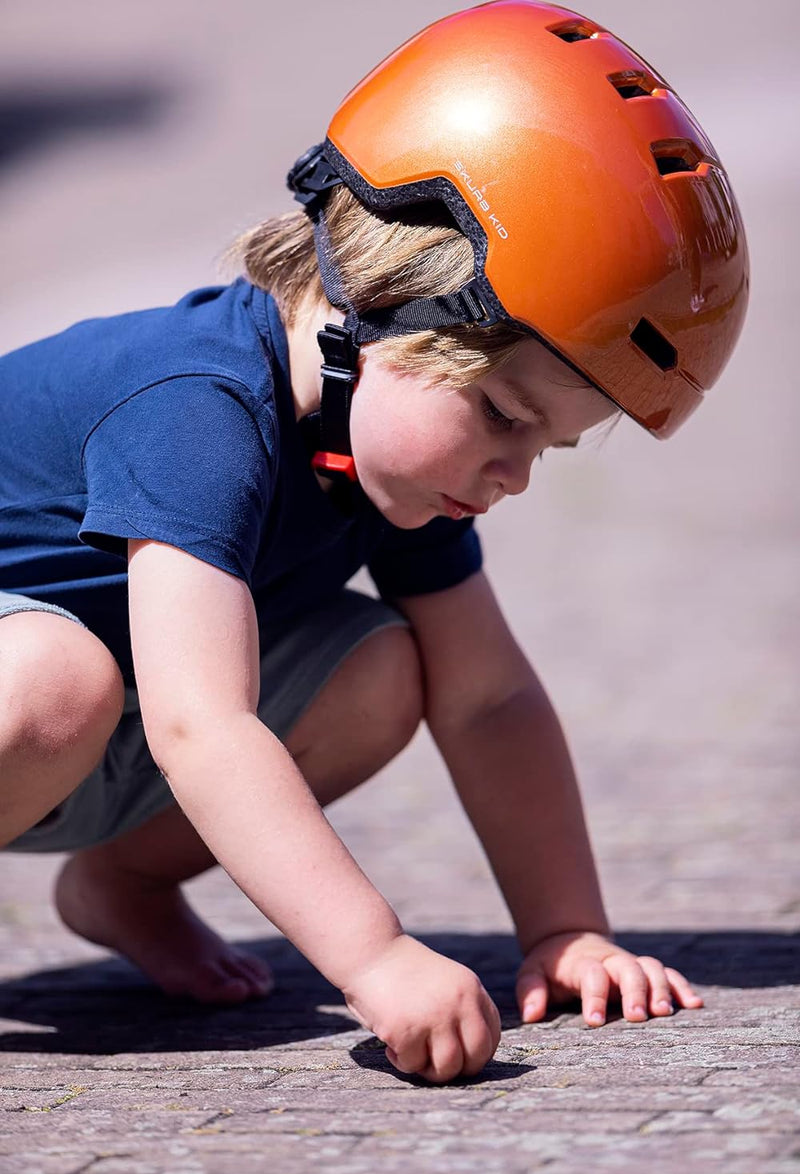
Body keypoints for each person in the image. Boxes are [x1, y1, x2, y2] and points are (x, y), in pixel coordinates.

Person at [0, 1, 748, 1085]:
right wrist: (375, 957)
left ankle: (123, 884)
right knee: (54, 683)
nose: (514, 474)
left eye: (552, 447)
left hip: (65, 715)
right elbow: (198, 726)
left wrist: (563, 930)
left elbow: (489, 700)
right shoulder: (196, 407)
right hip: (32, 687)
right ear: (380, 306)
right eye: (501, 415)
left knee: (384, 667)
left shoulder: (371, 454)